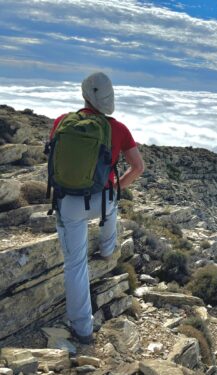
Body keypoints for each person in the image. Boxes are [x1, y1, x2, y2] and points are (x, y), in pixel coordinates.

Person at [49, 72, 145, 344]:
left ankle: (82, 328)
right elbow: (138, 167)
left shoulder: (60, 122)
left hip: (68, 202)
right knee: (111, 210)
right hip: (102, 202)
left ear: (84, 96)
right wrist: (117, 187)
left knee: (75, 264)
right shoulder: (119, 129)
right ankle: (106, 248)